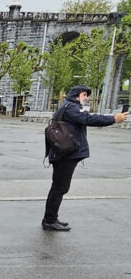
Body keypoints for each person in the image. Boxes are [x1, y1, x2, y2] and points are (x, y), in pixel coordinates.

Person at [43, 85, 127, 231]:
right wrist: (113, 118)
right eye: (84, 95)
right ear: (76, 95)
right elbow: (89, 119)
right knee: (59, 188)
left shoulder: (68, 106)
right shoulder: (71, 107)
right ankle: (49, 221)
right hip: (66, 155)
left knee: (59, 187)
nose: (86, 98)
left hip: (64, 154)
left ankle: (51, 218)